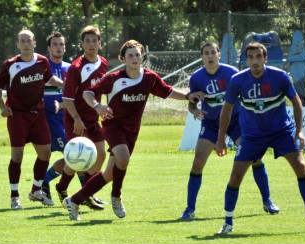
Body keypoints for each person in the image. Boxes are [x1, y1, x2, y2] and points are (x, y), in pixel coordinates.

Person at [61, 39, 205, 220]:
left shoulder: (150, 78)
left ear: (142, 56)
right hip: (113, 126)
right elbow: (87, 93)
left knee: (109, 174)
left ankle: (74, 201)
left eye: (137, 54)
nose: (134, 58)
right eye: (130, 55)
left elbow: (168, 91)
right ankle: (116, 197)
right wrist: (98, 107)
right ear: (123, 59)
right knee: (123, 157)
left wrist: (188, 96)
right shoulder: (114, 79)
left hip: (132, 131)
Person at [215, 42, 305, 234]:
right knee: (235, 176)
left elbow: (297, 102)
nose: (255, 61)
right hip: (252, 136)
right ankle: (227, 223)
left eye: (258, 57)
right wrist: (221, 138)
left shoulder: (279, 76)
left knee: (300, 167)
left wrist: (299, 131)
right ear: (246, 60)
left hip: (281, 131)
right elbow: (227, 109)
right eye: (250, 57)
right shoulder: (237, 80)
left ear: (265, 58)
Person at [180, 42, 279, 220]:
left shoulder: (231, 72)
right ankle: (189, 209)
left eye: (213, 52)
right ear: (202, 57)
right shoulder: (196, 78)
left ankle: (268, 201)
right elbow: (192, 102)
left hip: (236, 121)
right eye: (206, 53)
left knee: (255, 159)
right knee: (198, 162)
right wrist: (195, 111)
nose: (210, 56)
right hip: (211, 123)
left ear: (219, 55)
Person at [0, 29, 64, 209]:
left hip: (38, 114)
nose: (25, 44)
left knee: (45, 153)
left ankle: (36, 190)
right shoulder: (10, 64)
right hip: (17, 116)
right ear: (17, 44)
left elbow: (50, 79)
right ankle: (14, 196)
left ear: (34, 43)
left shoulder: (42, 61)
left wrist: (66, 84)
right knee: (17, 156)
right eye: (22, 41)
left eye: (29, 41)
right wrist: (2, 107)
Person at [55, 25, 108, 211]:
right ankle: (63, 188)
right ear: (82, 44)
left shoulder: (103, 63)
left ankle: (86, 193)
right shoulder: (76, 68)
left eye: (94, 40)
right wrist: (77, 119)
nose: (91, 44)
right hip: (75, 120)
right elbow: (67, 99)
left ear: (100, 43)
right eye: (87, 41)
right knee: (77, 159)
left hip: (93, 120)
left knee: (100, 154)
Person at [41, 31, 70, 202]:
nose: (58, 47)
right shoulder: (43, 68)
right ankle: (87, 193)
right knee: (74, 155)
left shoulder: (70, 68)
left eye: (61, 44)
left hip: (68, 118)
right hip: (50, 120)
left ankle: (43, 181)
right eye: (55, 44)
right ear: (49, 48)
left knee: (74, 157)